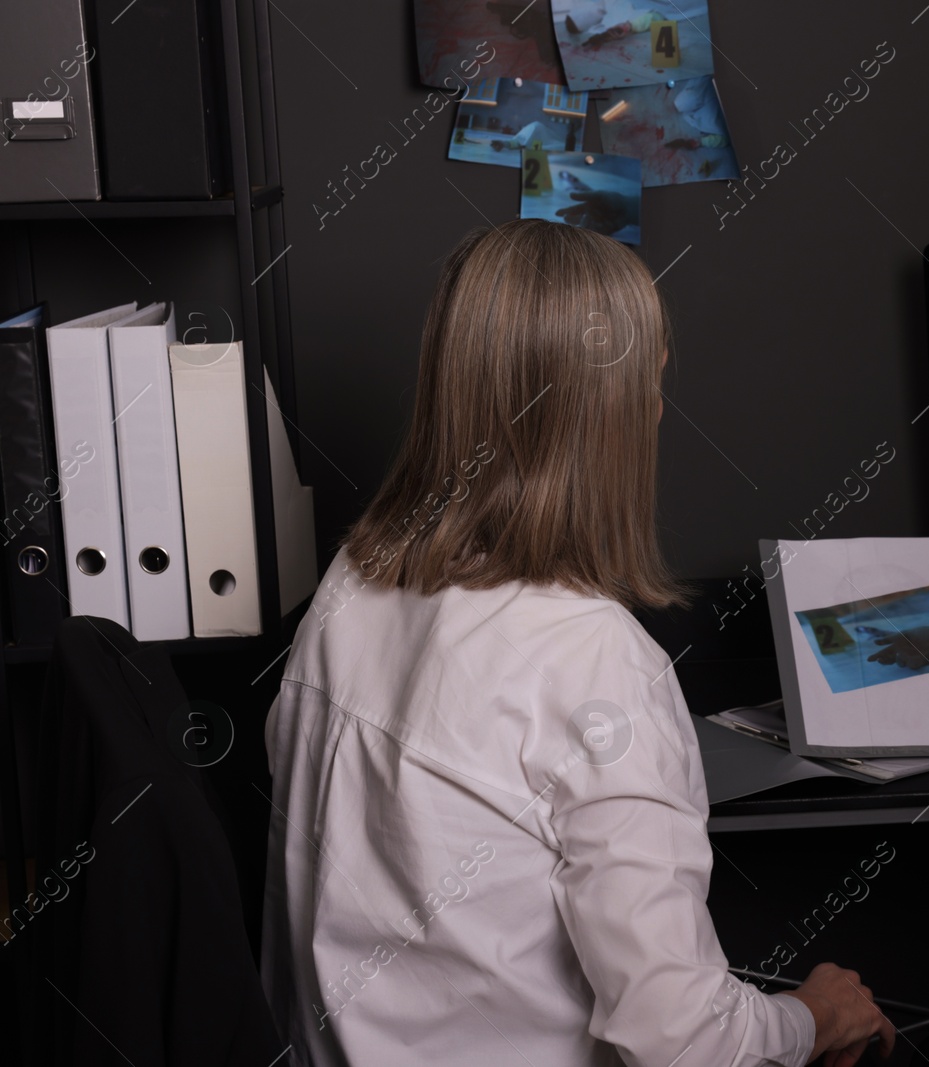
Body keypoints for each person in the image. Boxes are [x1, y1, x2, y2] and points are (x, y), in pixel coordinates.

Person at [259, 220, 895, 1067]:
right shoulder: (596, 657)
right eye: (651, 385)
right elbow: (681, 1040)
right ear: (609, 415)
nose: (660, 410)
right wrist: (810, 1018)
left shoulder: (349, 585)